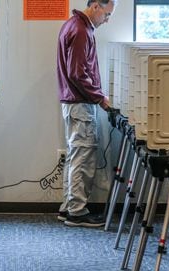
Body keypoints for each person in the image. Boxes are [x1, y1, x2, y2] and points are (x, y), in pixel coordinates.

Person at [56, 0, 117, 227]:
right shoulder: (81, 30)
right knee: (82, 158)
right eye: (107, 14)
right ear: (95, 7)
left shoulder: (72, 24)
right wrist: (100, 98)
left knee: (75, 157)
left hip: (73, 103)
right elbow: (78, 73)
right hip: (80, 104)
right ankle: (77, 212)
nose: (107, 20)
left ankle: (68, 207)